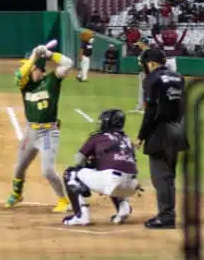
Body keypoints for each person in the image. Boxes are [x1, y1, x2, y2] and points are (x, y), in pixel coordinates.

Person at [5, 44, 74, 213]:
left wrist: (49, 54)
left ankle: (63, 201)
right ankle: (17, 194)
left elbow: (69, 63)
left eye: (30, 67)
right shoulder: (24, 85)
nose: (25, 69)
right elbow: (18, 75)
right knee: (20, 166)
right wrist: (34, 56)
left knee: (48, 170)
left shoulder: (52, 80)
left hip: (48, 133)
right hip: (31, 132)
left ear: (39, 69)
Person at [61, 109, 141, 226]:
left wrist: (93, 163)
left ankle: (81, 215)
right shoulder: (127, 139)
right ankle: (123, 208)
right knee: (115, 177)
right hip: (132, 185)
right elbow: (128, 161)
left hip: (111, 181)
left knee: (70, 174)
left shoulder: (98, 137)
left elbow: (78, 161)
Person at [138, 47, 188, 229]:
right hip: (177, 129)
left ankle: (166, 216)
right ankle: (168, 213)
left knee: (160, 176)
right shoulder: (178, 78)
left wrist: (141, 135)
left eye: (145, 64)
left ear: (151, 63)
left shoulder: (152, 79)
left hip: (160, 132)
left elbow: (151, 110)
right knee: (169, 175)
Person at [134, 38, 151, 111]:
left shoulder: (146, 52)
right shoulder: (147, 51)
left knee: (143, 90)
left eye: (140, 43)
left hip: (145, 73)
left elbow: (146, 64)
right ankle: (143, 106)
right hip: (147, 73)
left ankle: (141, 106)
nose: (139, 45)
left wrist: (146, 74)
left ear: (143, 44)